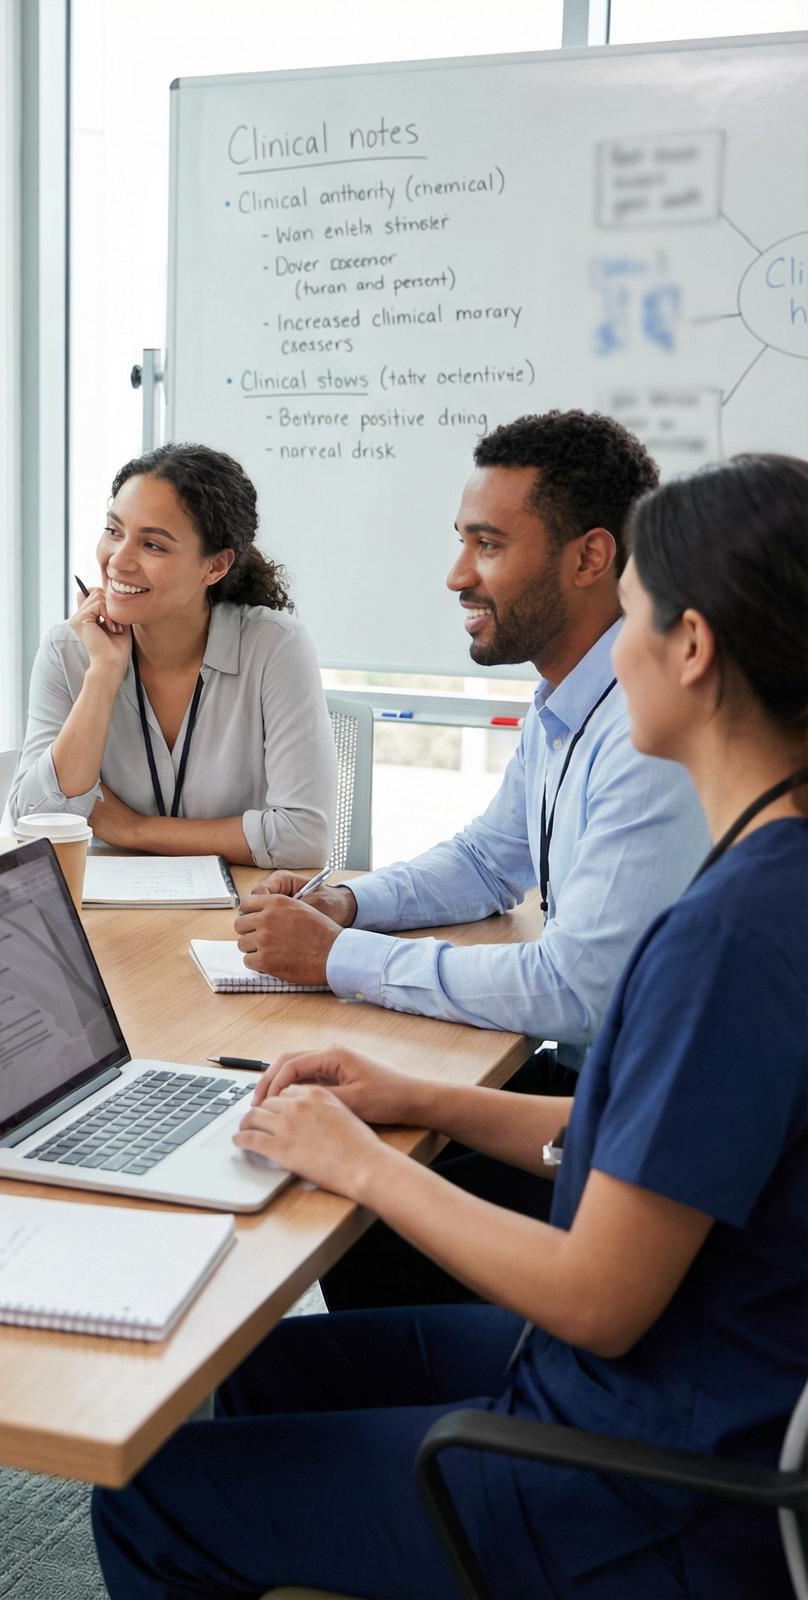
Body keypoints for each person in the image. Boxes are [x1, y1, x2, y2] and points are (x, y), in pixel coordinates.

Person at [92, 451, 808, 1600]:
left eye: (628, 617)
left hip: (643, 1478)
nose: (612, 658)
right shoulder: (770, 874)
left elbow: (596, 1297)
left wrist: (363, 1163)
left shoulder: (728, 936)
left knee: (147, 1493)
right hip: (695, 1368)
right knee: (250, 1370)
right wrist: (422, 1099)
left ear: (691, 649)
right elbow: (651, 1133)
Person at [233, 410, 710, 1311]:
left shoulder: (646, 733)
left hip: (612, 1122)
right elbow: (492, 859)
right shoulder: (567, 699)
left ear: (590, 556)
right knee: (342, 1141)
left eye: (487, 545)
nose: (458, 574)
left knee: (346, 1199)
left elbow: (578, 991)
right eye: (462, 541)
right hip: (592, 1099)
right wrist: (348, 908)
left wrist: (337, 961)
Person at [10, 443, 335, 868]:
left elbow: (303, 838)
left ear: (215, 567)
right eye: (114, 531)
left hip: (236, 911)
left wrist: (131, 829)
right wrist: (103, 675)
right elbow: (34, 823)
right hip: (109, 916)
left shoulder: (273, 646)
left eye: (153, 546)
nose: (118, 561)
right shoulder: (68, 652)